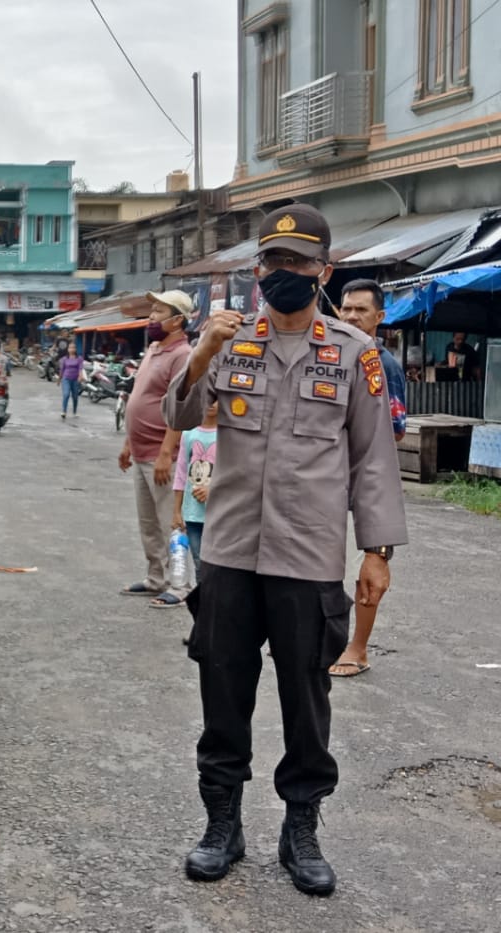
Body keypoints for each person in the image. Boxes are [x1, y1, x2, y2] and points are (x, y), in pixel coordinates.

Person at [164, 204, 407, 897]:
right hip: (233, 552)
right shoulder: (232, 340)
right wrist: (202, 351)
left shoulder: (354, 353)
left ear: (324, 271)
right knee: (223, 688)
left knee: (307, 697)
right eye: (273, 262)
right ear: (258, 270)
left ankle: (301, 829)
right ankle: (223, 825)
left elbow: (373, 459)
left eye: (299, 263)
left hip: (309, 558)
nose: (284, 274)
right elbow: (177, 419)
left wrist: (378, 549)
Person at [330, 279, 407, 678]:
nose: (352, 316)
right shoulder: (334, 355)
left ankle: (357, 649)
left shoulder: (383, 364)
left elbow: (394, 429)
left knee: (370, 566)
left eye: (361, 310)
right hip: (329, 479)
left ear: (380, 317)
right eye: (346, 309)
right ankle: (320, 638)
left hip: (370, 478)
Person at [118, 290, 196, 609]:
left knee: (171, 521)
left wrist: (167, 453)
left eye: (158, 312)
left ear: (177, 320)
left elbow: (181, 406)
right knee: (148, 522)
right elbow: (140, 396)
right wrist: (127, 444)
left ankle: (181, 584)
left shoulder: (183, 355)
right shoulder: (153, 348)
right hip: (140, 451)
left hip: (163, 454)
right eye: (151, 311)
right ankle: (156, 578)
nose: (151, 318)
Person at [171, 401, 219, 580]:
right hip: (192, 514)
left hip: (217, 515)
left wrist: (212, 489)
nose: (211, 403)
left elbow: (234, 473)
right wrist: (177, 511)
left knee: (214, 566)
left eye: (216, 398)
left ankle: (214, 604)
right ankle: (203, 605)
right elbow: (181, 473)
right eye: (207, 398)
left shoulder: (228, 436)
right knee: (198, 563)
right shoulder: (189, 433)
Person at [58, 342, 84, 419]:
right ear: (68, 349)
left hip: (75, 379)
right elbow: (62, 370)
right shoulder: (64, 359)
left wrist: (80, 376)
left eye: (73, 348)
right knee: (66, 394)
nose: (72, 349)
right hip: (66, 378)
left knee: (75, 396)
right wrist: (59, 379)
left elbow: (80, 368)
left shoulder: (79, 359)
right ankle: (64, 411)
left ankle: (74, 412)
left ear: (75, 349)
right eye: (70, 348)